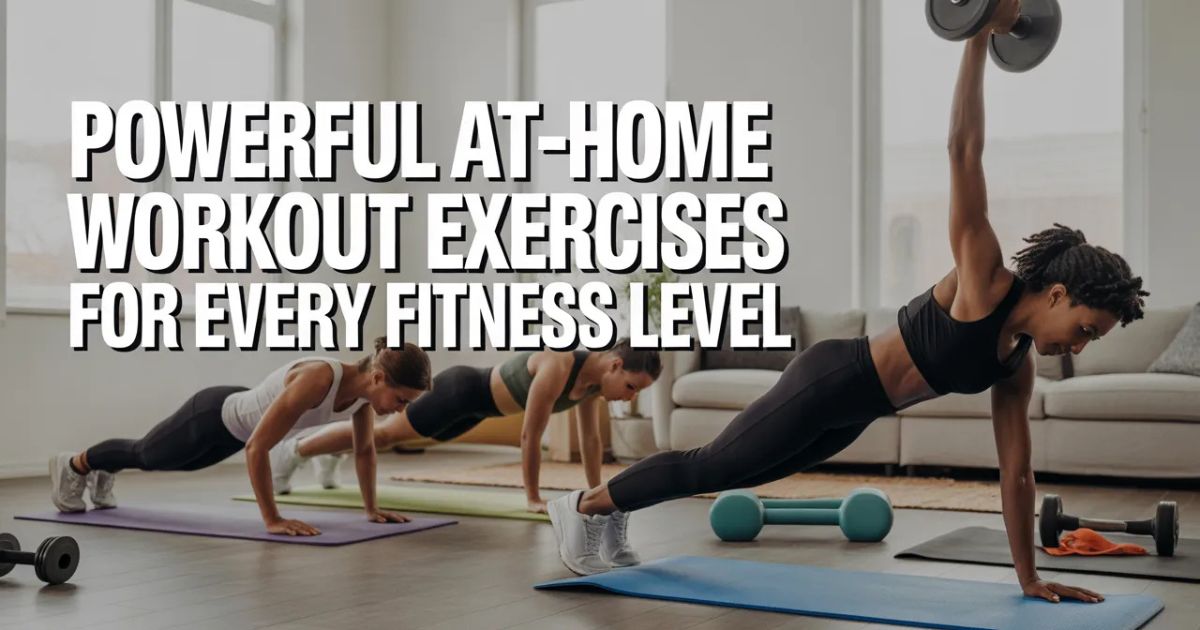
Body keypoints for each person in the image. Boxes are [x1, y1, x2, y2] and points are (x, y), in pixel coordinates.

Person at [547, 0, 1146, 606]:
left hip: (853, 413)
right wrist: (977, 34)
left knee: (744, 471)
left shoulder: (1014, 365)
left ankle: (608, 513)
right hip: (833, 377)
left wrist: (1029, 578)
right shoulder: (984, 280)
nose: (1078, 344)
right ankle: (582, 504)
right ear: (1057, 293)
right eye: (1086, 329)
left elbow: (1016, 471)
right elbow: (963, 151)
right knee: (714, 465)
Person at [50, 339, 432, 536]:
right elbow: (258, 447)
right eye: (400, 400)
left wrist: (371, 510)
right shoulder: (319, 378)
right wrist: (272, 519)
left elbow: (364, 451)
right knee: (148, 455)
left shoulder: (363, 400)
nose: (400, 410)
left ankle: (102, 470)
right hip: (212, 415)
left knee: (167, 463)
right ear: (379, 377)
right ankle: (74, 464)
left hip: (232, 431)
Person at [270, 340, 661, 521]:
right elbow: (531, 433)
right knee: (386, 436)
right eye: (631, 387)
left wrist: (597, 493)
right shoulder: (559, 365)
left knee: (387, 436)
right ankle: (296, 451)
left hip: (475, 411)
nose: (628, 398)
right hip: (460, 392)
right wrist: (532, 498)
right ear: (614, 364)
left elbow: (591, 441)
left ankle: (324, 455)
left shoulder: (591, 387)